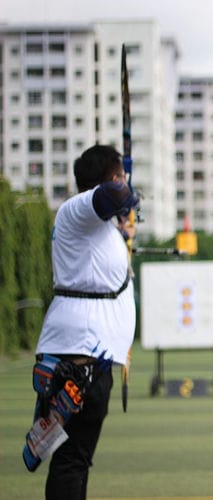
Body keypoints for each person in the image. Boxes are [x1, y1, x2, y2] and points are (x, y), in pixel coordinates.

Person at [26, 144, 138, 500]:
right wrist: (128, 196)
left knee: (76, 458)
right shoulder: (78, 208)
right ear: (109, 176)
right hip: (81, 355)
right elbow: (114, 194)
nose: (123, 181)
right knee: (72, 459)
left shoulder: (94, 223)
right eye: (120, 174)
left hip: (89, 353)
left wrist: (123, 231)